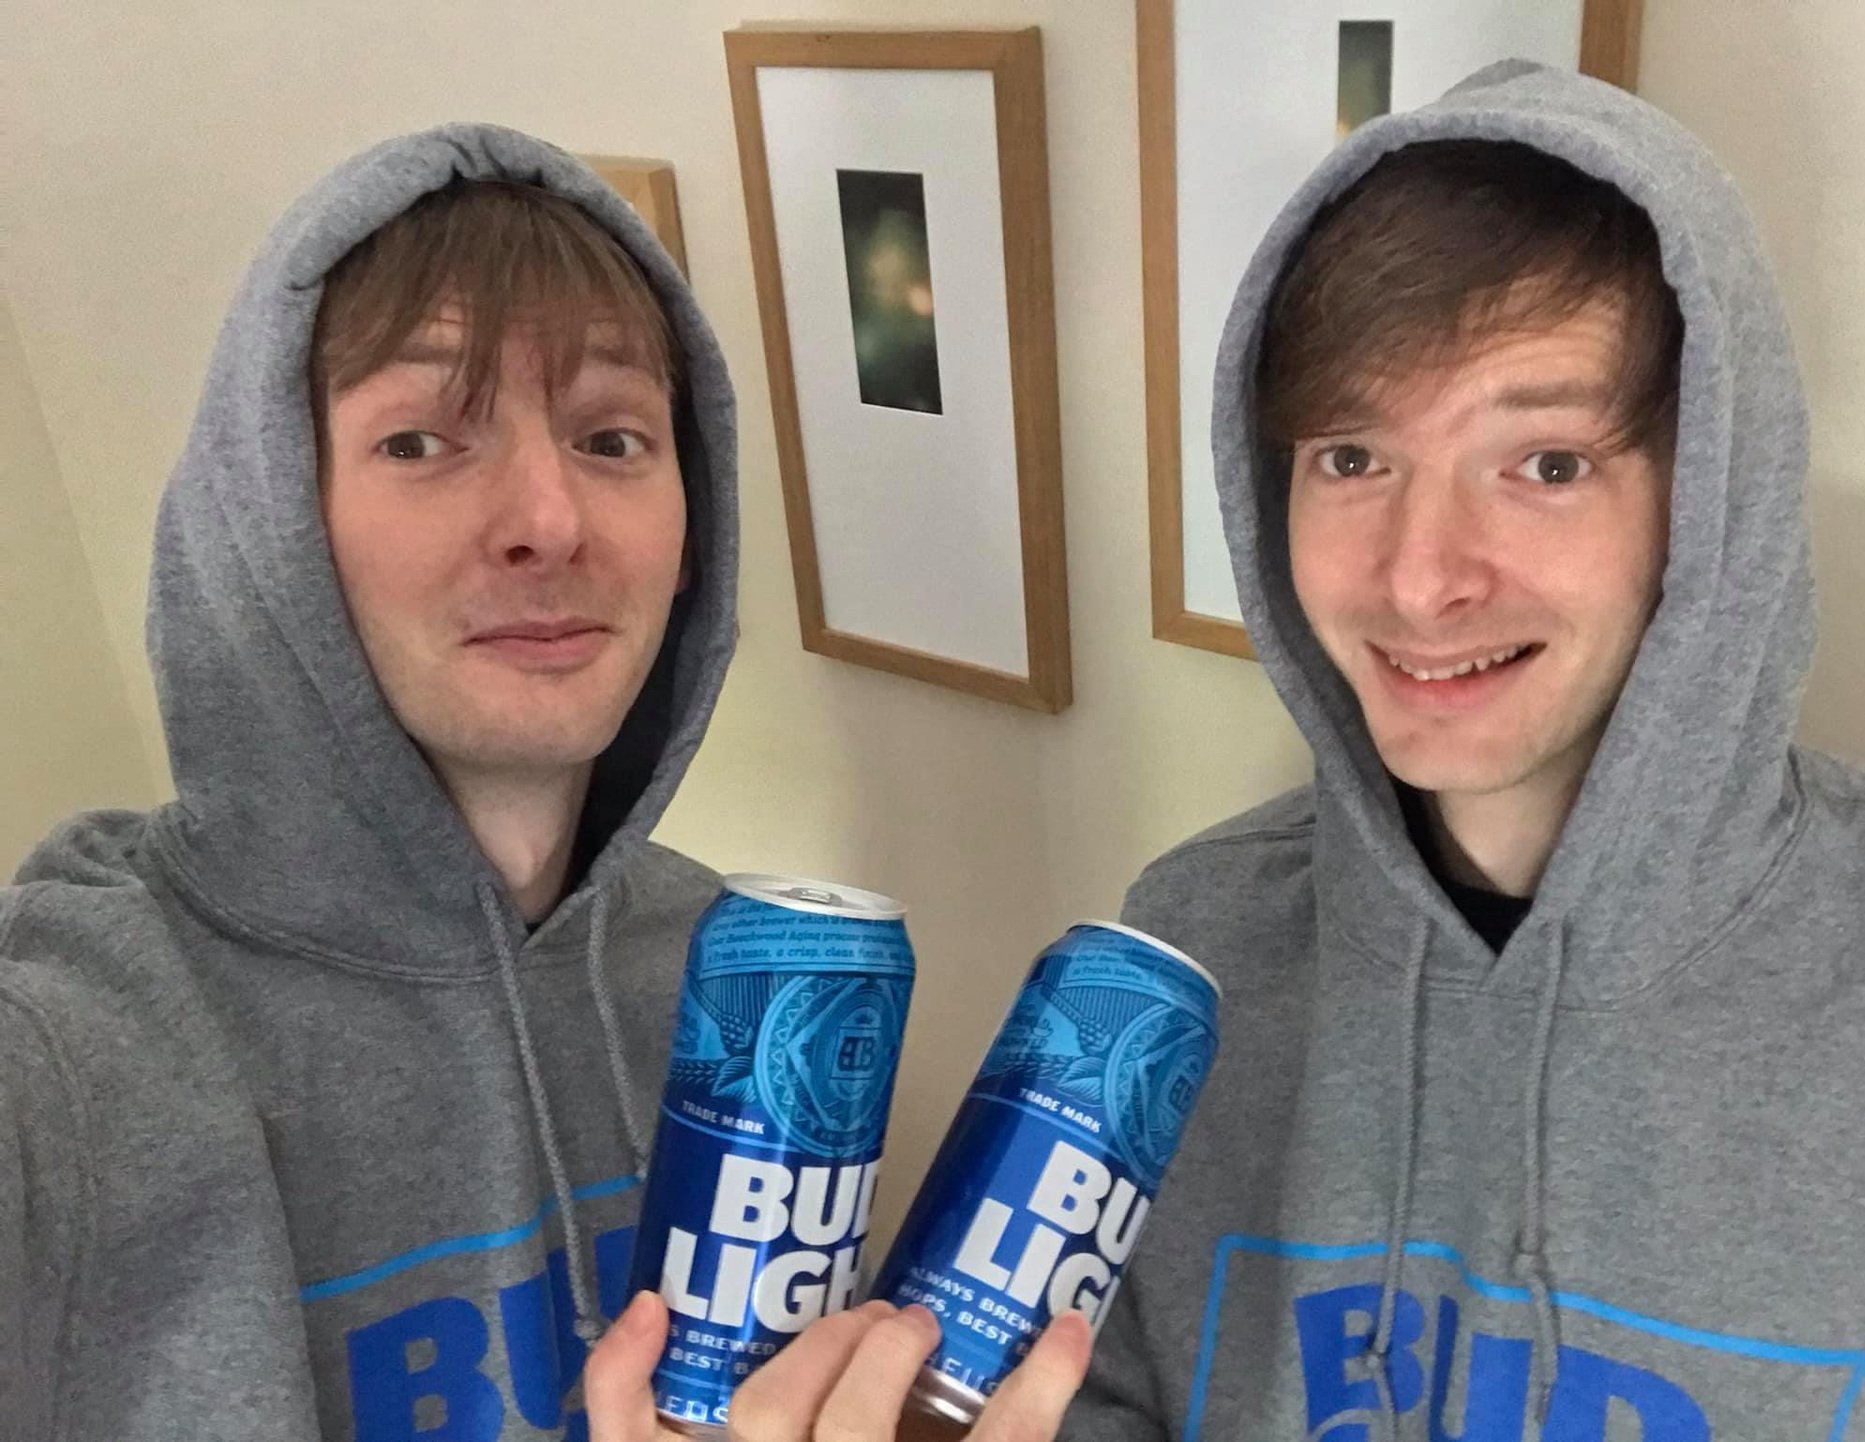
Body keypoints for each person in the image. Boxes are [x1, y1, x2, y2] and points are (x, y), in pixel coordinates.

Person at [0, 124, 1086, 1442]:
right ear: (270, 522)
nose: (549, 518)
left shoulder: (726, 982)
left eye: (613, 438)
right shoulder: (72, 1052)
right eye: (419, 440)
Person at [1064, 60, 1865, 1442]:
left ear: (1703, 502)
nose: (1420, 579)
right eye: (1352, 456)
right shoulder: (1191, 946)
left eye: (1547, 464)